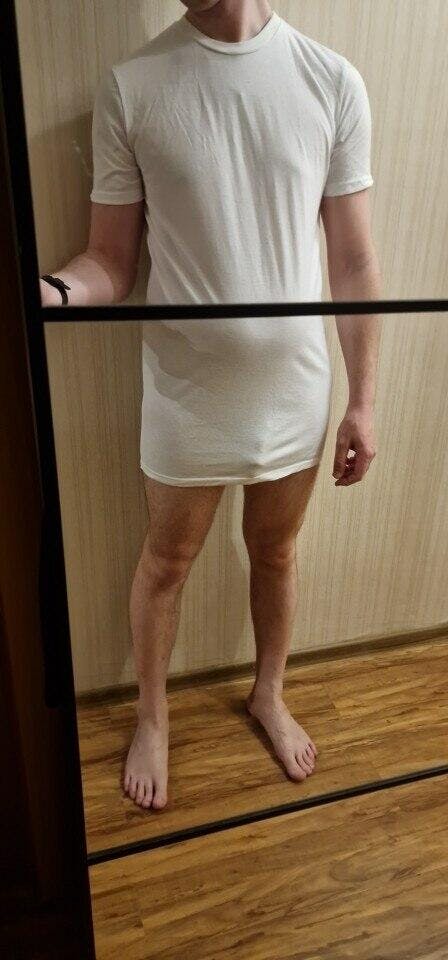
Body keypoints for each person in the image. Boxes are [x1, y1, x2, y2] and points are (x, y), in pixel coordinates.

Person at [40, 0, 382, 811]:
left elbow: (353, 260)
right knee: (166, 563)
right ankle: (151, 718)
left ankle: (269, 692)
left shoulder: (331, 80)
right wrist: (50, 290)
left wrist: (365, 401)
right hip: (185, 391)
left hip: (294, 387)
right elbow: (110, 260)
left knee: (276, 553)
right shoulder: (133, 86)